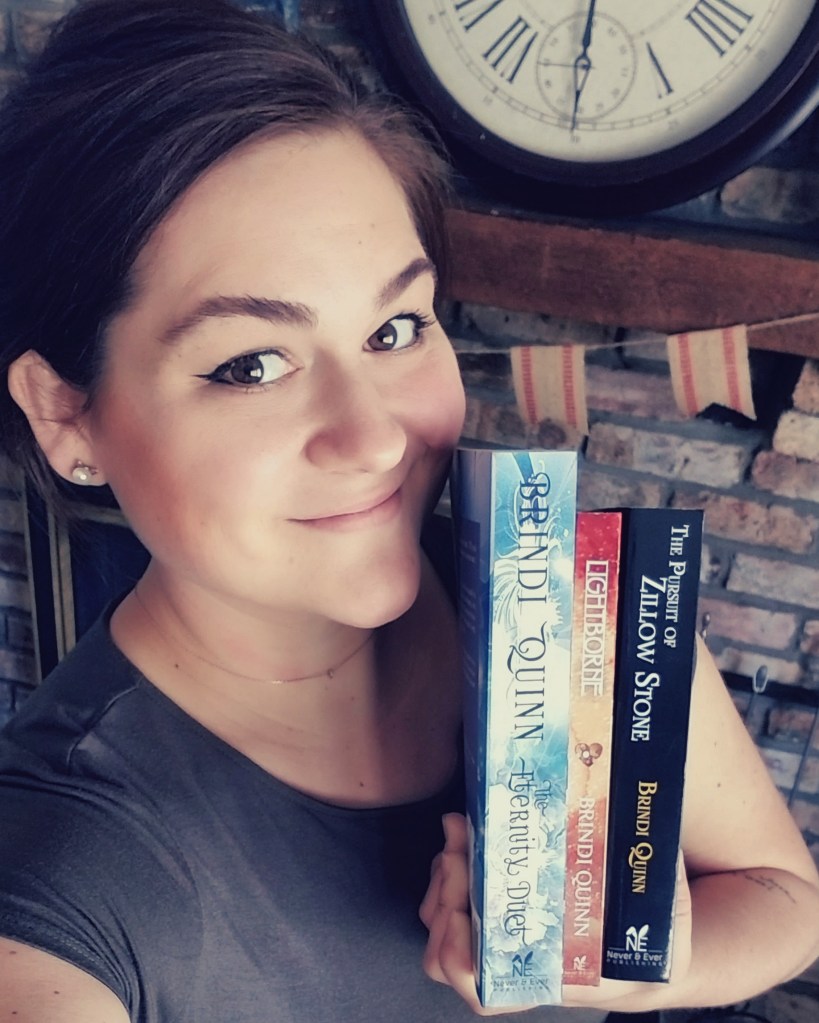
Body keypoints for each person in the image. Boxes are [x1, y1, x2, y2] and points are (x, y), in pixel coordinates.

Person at [0, 1, 817, 1021]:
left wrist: (651, 968)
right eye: (251, 365)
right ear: (65, 412)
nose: (376, 439)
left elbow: (784, 895)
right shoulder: (62, 868)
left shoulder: (577, 603)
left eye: (394, 329)